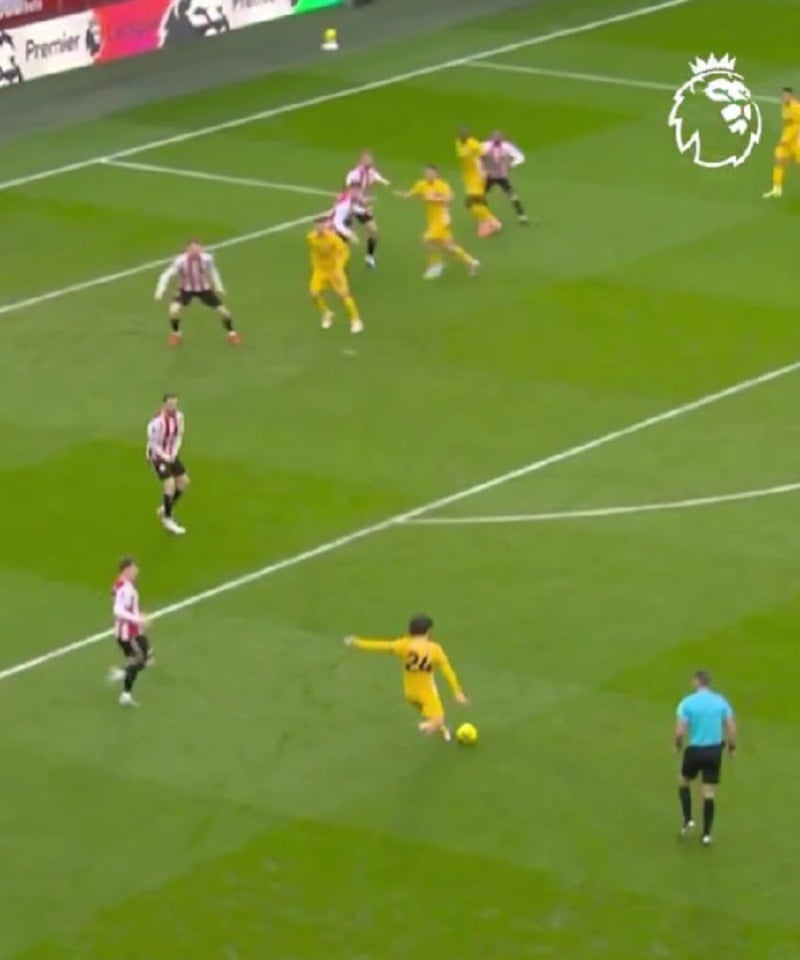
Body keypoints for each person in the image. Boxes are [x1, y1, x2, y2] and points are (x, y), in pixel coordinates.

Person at [343, 615, 467, 740]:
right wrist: (457, 691)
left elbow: (381, 645)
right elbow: (447, 670)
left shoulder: (403, 645)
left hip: (410, 693)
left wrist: (357, 643)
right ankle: (425, 727)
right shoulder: (435, 649)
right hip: (427, 693)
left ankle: (441, 729)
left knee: (431, 714)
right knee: (438, 720)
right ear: (428, 631)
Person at [675, 670, 736, 844]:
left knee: (684, 781)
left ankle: (688, 820)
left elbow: (680, 730)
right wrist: (732, 746)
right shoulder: (721, 702)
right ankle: (707, 834)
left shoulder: (687, 702)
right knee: (708, 792)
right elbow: (730, 726)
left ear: (697, 682)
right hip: (714, 751)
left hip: (695, 750)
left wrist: (678, 744)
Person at [395, 165, 480, 279]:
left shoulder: (442, 185)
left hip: (441, 219)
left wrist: (433, 199)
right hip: (432, 220)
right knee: (449, 246)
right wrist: (403, 195)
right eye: (427, 173)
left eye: (431, 173)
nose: (428, 175)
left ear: (436, 174)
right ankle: (471, 262)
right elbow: (412, 193)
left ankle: (436, 265)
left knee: (427, 240)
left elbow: (450, 198)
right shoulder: (421, 184)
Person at [155, 240, 240, 345]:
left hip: (204, 289)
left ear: (201, 249)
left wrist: (219, 287)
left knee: (224, 312)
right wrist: (160, 291)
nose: (195, 251)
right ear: (187, 249)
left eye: (197, 248)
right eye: (192, 249)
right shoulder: (180, 261)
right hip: (185, 290)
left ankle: (232, 333)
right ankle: (176, 334)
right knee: (173, 311)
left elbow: (213, 272)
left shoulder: (207, 259)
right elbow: (166, 275)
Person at [307, 216, 364, 333]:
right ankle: (327, 313)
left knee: (344, 295)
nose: (318, 228)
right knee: (314, 294)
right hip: (320, 271)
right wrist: (315, 267)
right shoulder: (311, 238)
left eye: (321, 225)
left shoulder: (333, 239)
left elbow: (345, 252)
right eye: (316, 226)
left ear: (325, 226)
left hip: (335, 271)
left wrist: (339, 267)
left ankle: (356, 320)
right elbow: (314, 253)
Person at [109, 557, 152, 706]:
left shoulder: (120, 583)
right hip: (128, 633)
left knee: (145, 658)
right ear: (126, 570)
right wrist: (137, 619)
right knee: (142, 661)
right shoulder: (124, 588)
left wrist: (137, 616)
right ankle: (123, 677)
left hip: (131, 631)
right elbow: (118, 610)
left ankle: (125, 690)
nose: (137, 571)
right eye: (134, 569)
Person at [146, 393, 188, 535]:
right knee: (169, 484)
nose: (172, 407)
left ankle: (166, 507)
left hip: (171, 454)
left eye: (174, 404)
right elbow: (153, 443)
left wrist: (174, 453)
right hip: (157, 455)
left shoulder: (179, 417)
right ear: (164, 404)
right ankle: (167, 519)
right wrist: (165, 456)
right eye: (170, 404)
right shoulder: (157, 422)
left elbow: (179, 436)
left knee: (183, 482)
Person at [344, 151, 391, 267]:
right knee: (347, 234)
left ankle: (369, 257)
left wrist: (384, 181)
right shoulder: (354, 174)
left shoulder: (371, 172)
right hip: (351, 206)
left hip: (362, 207)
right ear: (361, 160)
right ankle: (342, 257)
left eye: (370, 159)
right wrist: (363, 200)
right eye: (366, 159)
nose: (369, 161)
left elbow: (376, 176)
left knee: (373, 231)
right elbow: (351, 190)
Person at [456, 128, 501, 236]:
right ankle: (483, 222)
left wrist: (484, 172)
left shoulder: (474, 144)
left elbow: (484, 157)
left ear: (469, 135)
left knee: (471, 202)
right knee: (478, 201)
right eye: (461, 136)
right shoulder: (458, 143)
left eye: (465, 136)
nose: (463, 137)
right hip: (468, 177)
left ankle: (494, 222)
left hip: (477, 176)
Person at [481, 131, 529, 225]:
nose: (496, 140)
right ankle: (485, 217)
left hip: (502, 176)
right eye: (494, 138)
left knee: (513, 196)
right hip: (490, 175)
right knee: (480, 197)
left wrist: (511, 164)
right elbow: (475, 154)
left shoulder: (507, 147)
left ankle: (522, 216)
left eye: (498, 138)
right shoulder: (485, 146)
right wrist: (482, 168)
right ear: (490, 138)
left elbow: (520, 157)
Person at [763, 87, 800, 198]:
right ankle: (777, 189)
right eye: (783, 95)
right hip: (785, 141)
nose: (784, 97)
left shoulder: (796, 107)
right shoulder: (784, 106)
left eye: (786, 95)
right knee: (779, 161)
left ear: (791, 96)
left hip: (796, 141)